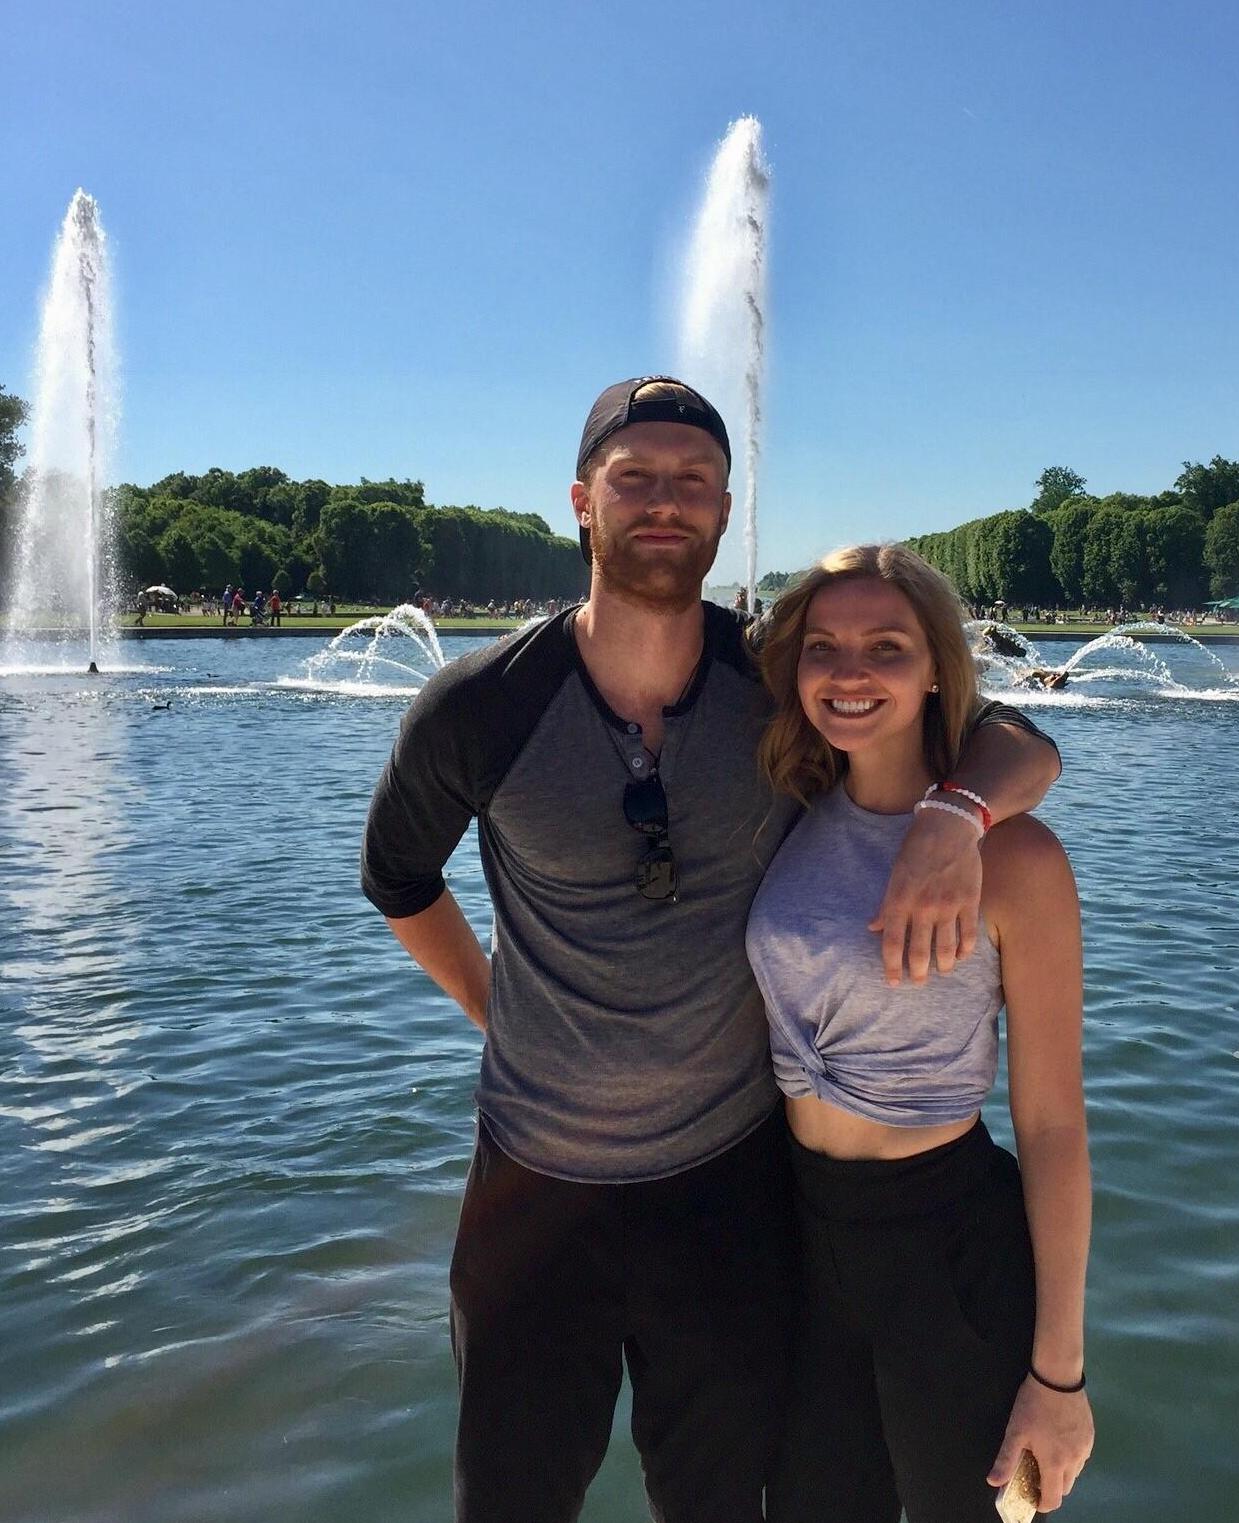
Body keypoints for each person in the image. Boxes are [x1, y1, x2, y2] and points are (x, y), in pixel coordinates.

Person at [360, 376, 1062, 1523]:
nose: (663, 502)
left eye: (692, 481)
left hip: (730, 1189)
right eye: (634, 478)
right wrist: (501, 1009)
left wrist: (952, 816)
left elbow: (1012, 735)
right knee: (510, 1499)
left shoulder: (776, 687)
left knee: (719, 1501)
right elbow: (393, 878)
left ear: (726, 510)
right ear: (580, 500)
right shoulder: (478, 707)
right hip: (536, 1188)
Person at [747, 544, 1093, 1522]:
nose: (848, 672)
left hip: (947, 1255)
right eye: (822, 646)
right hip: (801, 1239)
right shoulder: (786, 809)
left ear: (939, 666)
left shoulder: (1016, 857)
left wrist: (1059, 1376)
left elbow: (1054, 1121)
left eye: (884, 646)